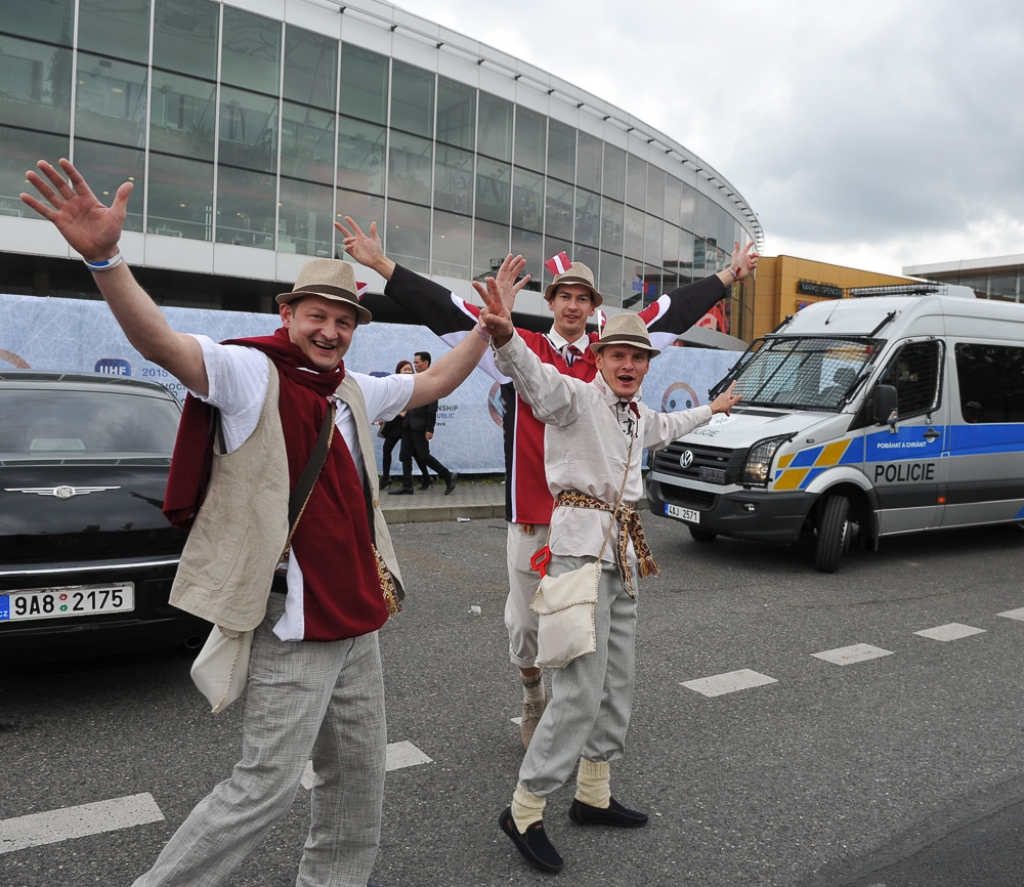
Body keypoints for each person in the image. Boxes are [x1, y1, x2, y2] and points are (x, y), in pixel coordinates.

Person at [19, 158, 524, 887]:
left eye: (343, 320)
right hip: (293, 622)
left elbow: (438, 379)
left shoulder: (353, 389)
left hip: (358, 622)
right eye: (317, 315)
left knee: (358, 786)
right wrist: (105, 259)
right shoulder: (249, 373)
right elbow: (160, 343)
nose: (330, 330)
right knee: (264, 786)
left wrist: (488, 328)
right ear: (288, 317)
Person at [337, 216, 758, 747]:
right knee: (525, 628)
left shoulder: (612, 353)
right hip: (532, 515)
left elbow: (671, 310)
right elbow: (447, 309)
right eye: (565, 296)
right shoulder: (519, 348)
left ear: (593, 306)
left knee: (580, 623)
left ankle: (570, 721)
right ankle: (532, 690)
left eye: (583, 298)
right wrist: (381, 264)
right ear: (552, 301)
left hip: (589, 525)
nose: (574, 306)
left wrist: (729, 274)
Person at [474, 272, 743, 874]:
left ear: (647, 366)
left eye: (638, 357)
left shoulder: (635, 414)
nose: (628, 365)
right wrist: (505, 336)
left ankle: (593, 793)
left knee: (617, 681)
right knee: (578, 688)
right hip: (577, 553)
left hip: (621, 552)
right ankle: (524, 808)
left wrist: (715, 408)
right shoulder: (573, 397)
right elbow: (532, 375)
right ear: (597, 358)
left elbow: (669, 426)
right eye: (618, 354)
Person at [389, 350, 457, 496]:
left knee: (424, 455)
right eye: (414, 362)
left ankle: (448, 475)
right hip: (407, 423)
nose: (415, 365)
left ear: (426, 363)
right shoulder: (414, 379)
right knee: (405, 455)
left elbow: (432, 408)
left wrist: (429, 428)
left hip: (420, 425)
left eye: (417, 362)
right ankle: (407, 486)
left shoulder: (432, 380)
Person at [378, 359, 413, 489]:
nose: (408, 372)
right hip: (394, 424)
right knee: (387, 449)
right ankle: (385, 478)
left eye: (409, 369)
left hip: (408, 424)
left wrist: (406, 411)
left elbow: (418, 401)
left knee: (415, 453)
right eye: (405, 369)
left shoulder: (416, 384)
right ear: (399, 371)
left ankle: (425, 478)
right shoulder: (394, 385)